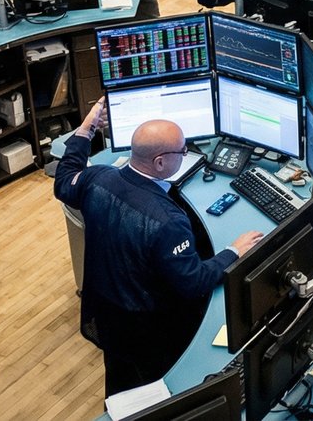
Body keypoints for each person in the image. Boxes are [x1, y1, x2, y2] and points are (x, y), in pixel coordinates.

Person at [55, 100, 262, 395]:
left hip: (105, 312)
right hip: (147, 331)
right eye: (182, 151)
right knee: (147, 391)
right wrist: (234, 250)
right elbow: (194, 283)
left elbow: (64, 178)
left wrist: (87, 128)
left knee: (120, 383)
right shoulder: (168, 221)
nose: (186, 154)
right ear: (161, 163)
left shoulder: (96, 179)